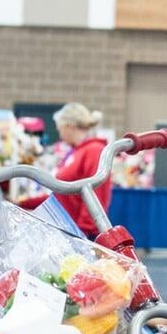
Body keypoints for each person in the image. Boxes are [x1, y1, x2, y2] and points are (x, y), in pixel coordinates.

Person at [48, 102, 111, 238]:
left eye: (60, 129)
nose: (59, 134)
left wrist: (82, 233)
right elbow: (60, 192)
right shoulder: (75, 152)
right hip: (68, 228)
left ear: (69, 126)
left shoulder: (93, 150)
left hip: (80, 233)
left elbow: (96, 194)